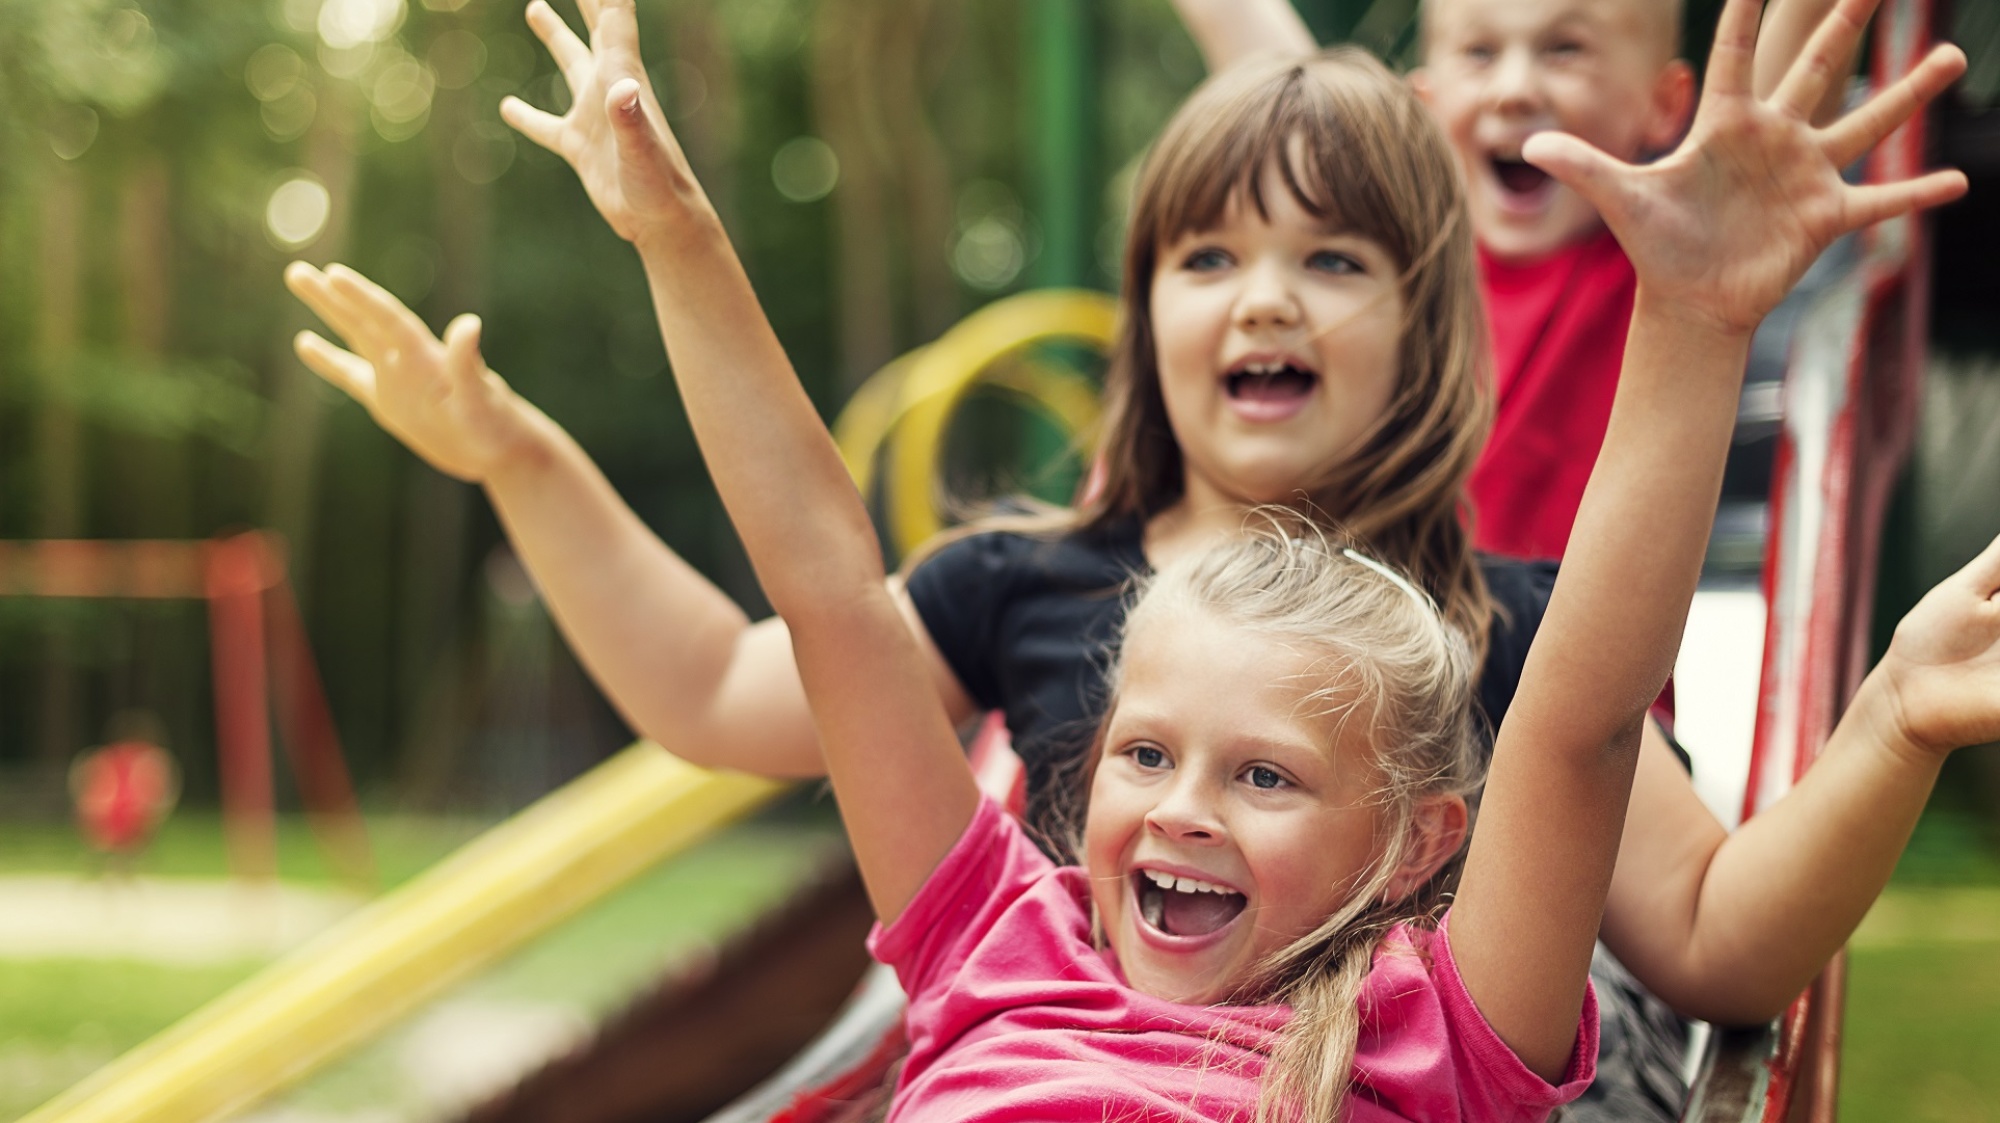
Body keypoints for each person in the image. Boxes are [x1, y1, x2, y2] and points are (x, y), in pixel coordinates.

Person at [289, 1, 1983, 1116]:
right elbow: (808, 602)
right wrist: (642, 288)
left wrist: (1697, 340)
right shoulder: (1008, 920)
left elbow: (1595, 748)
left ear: (1422, 833)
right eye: (1144, 748)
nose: (1265, 298)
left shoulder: (1438, 953)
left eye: (1334, 259)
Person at [1172, 0, 1854, 562]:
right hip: (1390, 650)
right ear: (1425, 105)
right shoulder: (1399, 255)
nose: (1515, 88)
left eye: (1565, 49)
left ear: (1663, 102)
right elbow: (1289, 88)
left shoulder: (1673, 260)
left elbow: (1771, 127)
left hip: (1579, 663)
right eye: (1479, 52)